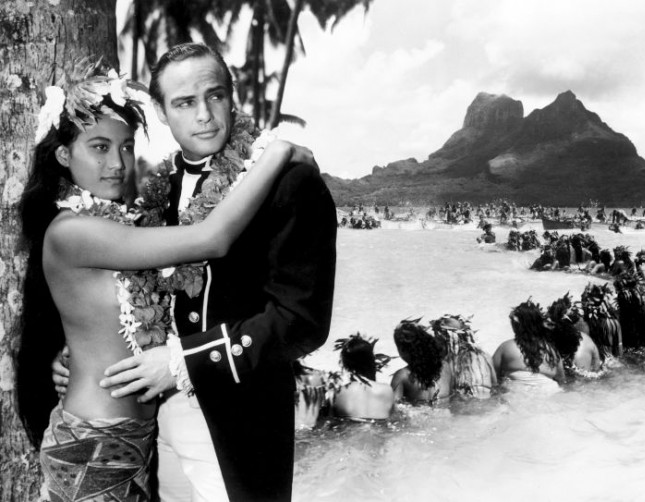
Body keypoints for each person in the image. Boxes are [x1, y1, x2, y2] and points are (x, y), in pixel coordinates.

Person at [16, 63, 306, 501]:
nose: (117, 163)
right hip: (94, 442)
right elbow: (212, 238)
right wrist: (275, 153)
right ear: (62, 156)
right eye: (99, 148)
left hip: (132, 440)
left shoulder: (117, 221)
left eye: (126, 147)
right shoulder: (73, 232)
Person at [79, 43, 336, 501]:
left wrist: (183, 363)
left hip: (239, 421)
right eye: (184, 103)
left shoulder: (290, 182)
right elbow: (134, 293)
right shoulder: (157, 192)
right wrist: (79, 356)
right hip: (154, 424)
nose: (204, 115)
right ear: (161, 111)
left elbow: (302, 321)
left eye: (215, 96)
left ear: (231, 97)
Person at [492, 300, 565, 390]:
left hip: (518, 393)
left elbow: (492, 376)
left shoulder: (506, 347)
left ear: (517, 324)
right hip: (550, 391)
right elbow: (561, 380)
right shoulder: (552, 351)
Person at [329, 333, 394, 420]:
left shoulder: (336, 394)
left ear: (345, 365)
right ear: (372, 361)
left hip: (348, 428)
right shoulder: (387, 390)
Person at [430, 314, 496, 397]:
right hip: (487, 399)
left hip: (463, 401)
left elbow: (445, 391)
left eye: (436, 338)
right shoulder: (485, 356)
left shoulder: (448, 362)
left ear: (443, 339)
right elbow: (495, 384)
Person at [390, 320, 454, 405]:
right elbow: (452, 397)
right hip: (445, 412)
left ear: (402, 350)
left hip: (418, 413)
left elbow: (394, 407)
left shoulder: (402, 376)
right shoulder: (445, 366)